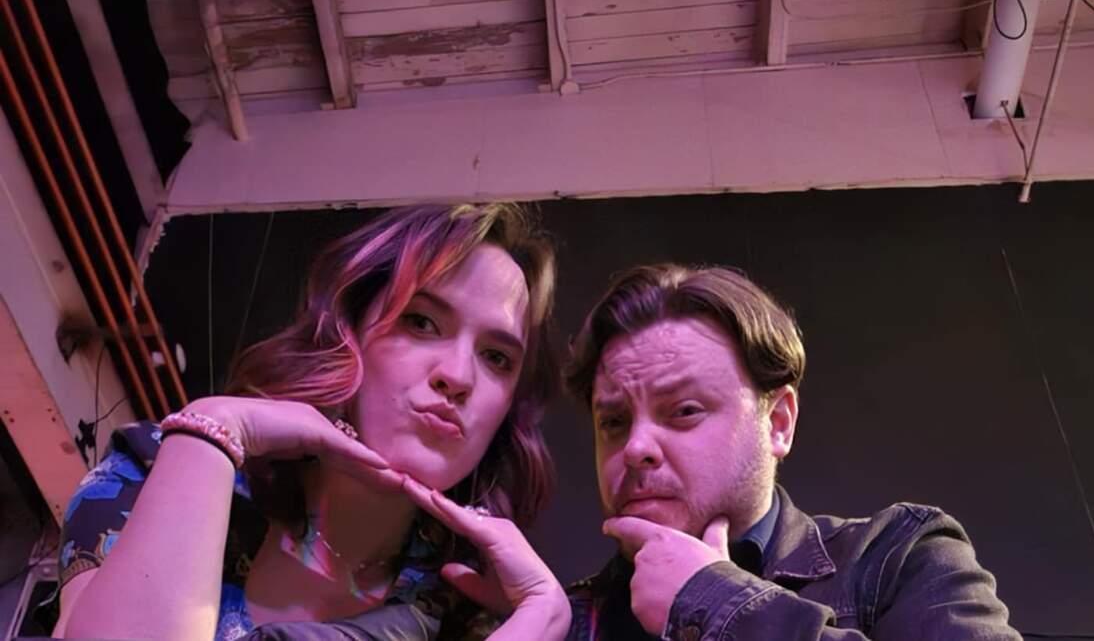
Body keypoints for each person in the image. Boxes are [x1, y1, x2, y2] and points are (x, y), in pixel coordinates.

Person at [54, 204, 570, 641]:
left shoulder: (468, 611)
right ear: (348, 330)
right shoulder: (159, 470)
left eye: (497, 358)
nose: (457, 376)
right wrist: (216, 421)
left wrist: (542, 616)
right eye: (421, 322)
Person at [562, 264, 1022, 640]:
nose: (635, 447)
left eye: (684, 410)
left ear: (778, 423)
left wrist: (712, 602)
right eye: (614, 422)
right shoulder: (564, 621)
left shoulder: (899, 559)